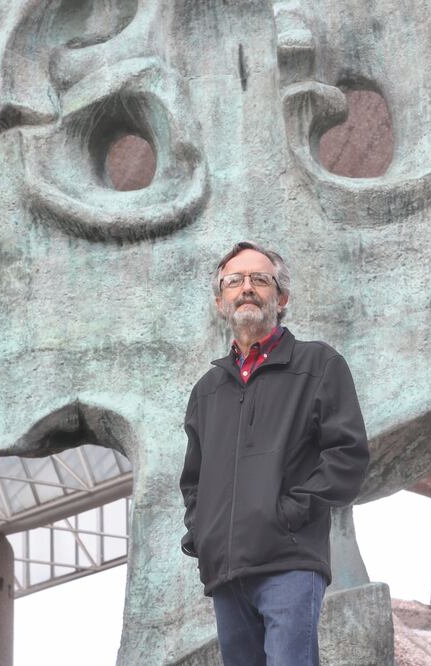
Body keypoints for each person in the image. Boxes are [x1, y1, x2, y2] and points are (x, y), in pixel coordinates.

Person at [179, 240, 369, 666]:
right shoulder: (206, 391)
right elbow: (193, 480)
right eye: (234, 281)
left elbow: (348, 455)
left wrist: (287, 514)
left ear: (281, 298)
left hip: (289, 563)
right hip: (226, 574)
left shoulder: (318, 364)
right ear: (220, 300)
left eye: (259, 279)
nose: (246, 288)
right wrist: (203, 533)